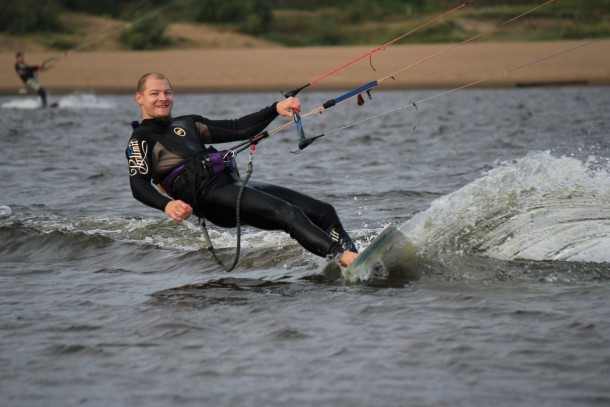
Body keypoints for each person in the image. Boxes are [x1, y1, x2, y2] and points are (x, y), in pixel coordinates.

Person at [126, 72, 359, 267]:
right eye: (154, 94)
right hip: (210, 199)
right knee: (287, 211)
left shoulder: (187, 123)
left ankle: (356, 259)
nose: (163, 98)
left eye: (167, 92)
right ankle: (344, 258)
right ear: (139, 98)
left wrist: (276, 108)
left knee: (323, 211)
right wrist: (167, 205)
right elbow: (138, 185)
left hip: (231, 185)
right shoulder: (141, 139)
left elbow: (238, 128)